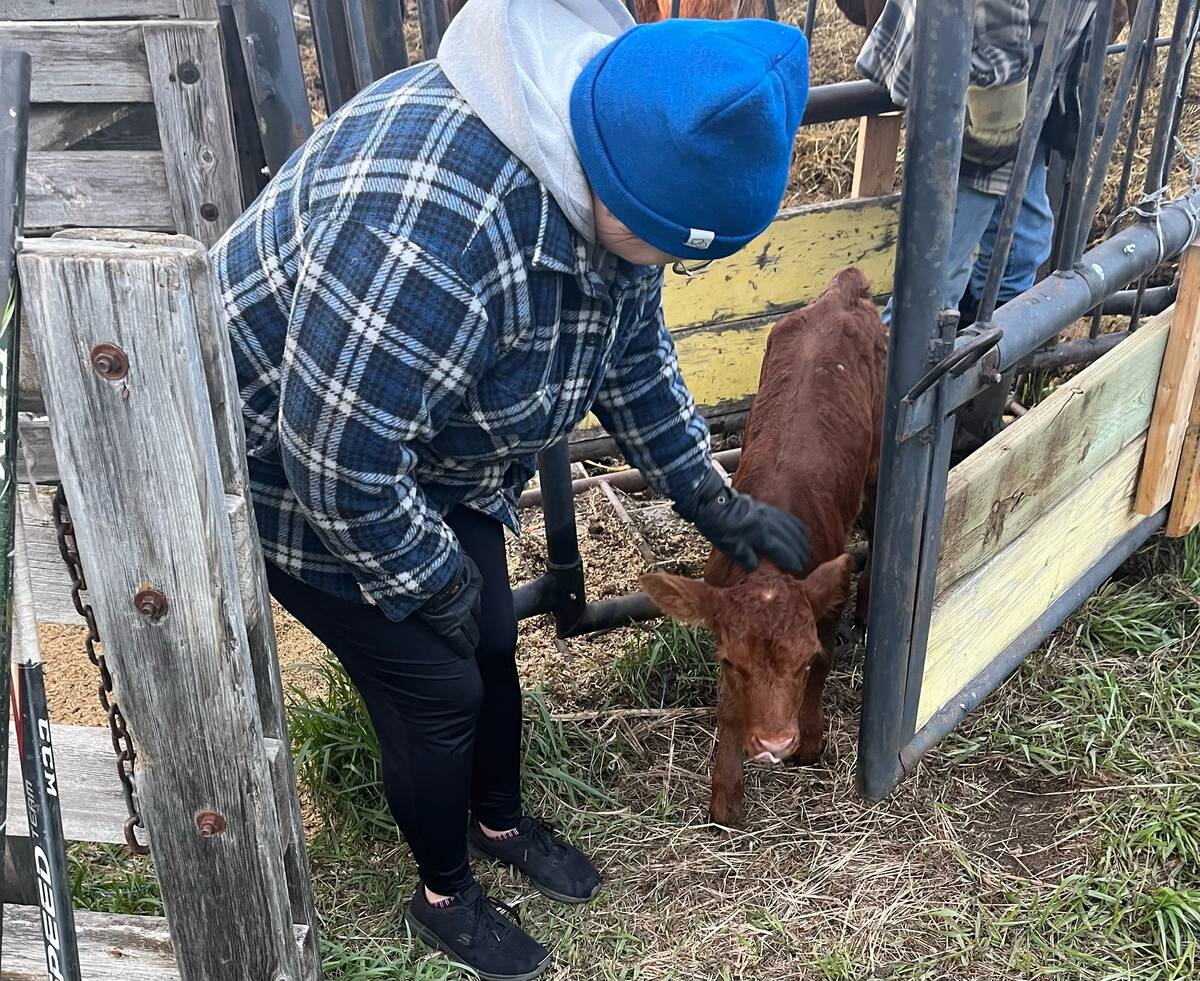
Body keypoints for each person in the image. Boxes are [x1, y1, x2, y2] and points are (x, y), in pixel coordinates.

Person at [212, 2, 811, 978]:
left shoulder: (625, 166)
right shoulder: (436, 225)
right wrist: (424, 577)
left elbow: (631, 354)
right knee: (442, 687)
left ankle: (495, 823)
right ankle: (444, 890)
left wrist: (708, 495)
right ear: (610, 179)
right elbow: (335, 455)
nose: (668, 267)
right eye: (664, 243)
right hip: (288, 469)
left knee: (492, 634)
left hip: (423, 445)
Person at [858, 0, 1099, 322]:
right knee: (938, 280)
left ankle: (981, 347)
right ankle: (905, 365)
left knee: (1024, 241)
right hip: (988, 80)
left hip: (1025, 77)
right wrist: (1002, 95)